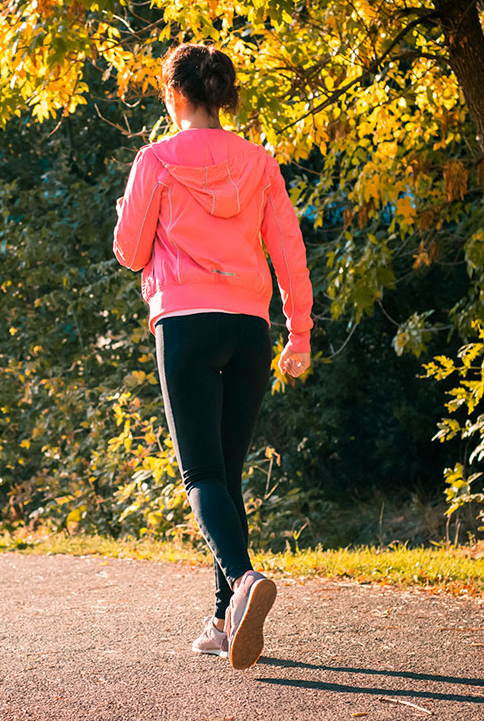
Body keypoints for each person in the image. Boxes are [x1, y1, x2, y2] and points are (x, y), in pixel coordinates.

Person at [112, 43, 313, 670]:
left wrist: (127, 213)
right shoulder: (260, 162)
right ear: (223, 95)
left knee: (200, 476)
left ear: (176, 96)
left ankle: (245, 582)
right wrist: (299, 332)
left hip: (187, 323)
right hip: (250, 328)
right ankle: (226, 622)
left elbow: (128, 250)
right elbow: (288, 248)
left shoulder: (156, 160)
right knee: (226, 477)